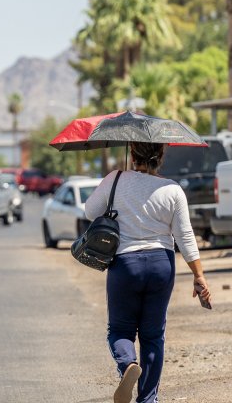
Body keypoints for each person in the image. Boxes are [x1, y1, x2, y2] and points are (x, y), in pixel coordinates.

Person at [84, 142, 212, 403]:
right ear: (161, 156)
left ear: (132, 154)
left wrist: (117, 195)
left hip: (125, 265)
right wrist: (199, 276)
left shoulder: (115, 179)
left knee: (120, 331)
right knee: (153, 335)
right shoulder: (172, 189)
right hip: (161, 264)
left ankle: (128, 364)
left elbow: (89, 212)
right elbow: (184, 235)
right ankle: (148, 399)